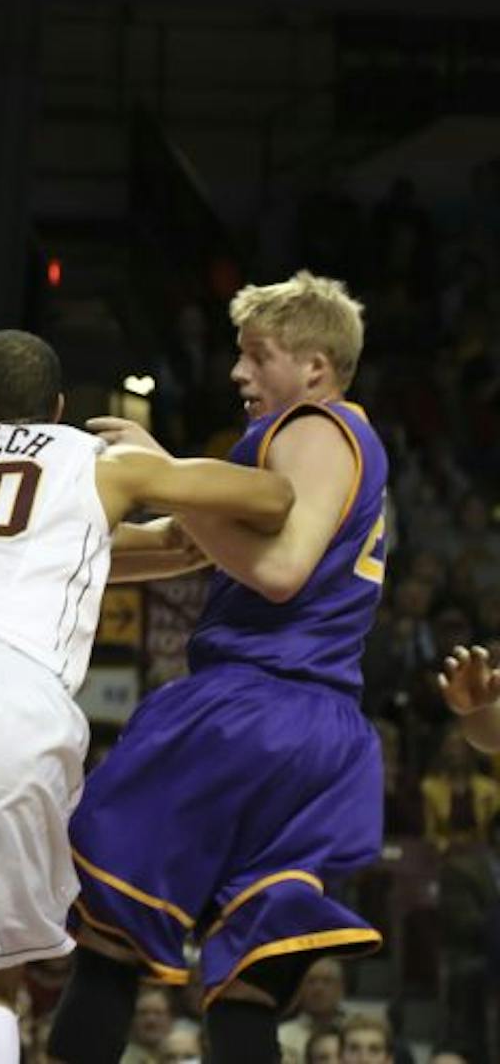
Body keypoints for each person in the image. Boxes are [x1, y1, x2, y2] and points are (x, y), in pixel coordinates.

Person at [0, 329, 296, 1064]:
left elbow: (52, 553)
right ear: (57, 407)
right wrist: (160, 463)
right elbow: (269, 498)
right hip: (14, 704)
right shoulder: (94, 460)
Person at [51, 275, 391, 1064]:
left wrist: (163, 467)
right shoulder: (339, 446)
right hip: (323, 734)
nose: (238, 373)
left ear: (313, 365)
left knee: (109, 941)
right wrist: (40, 544)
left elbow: (280, 571)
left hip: (250, 708)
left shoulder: (312, 426)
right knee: (245, 991)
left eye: (256, 356)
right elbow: (181, 545)